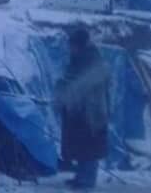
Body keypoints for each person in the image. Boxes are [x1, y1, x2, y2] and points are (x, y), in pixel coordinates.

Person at [55, 28, 111, 190]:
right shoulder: (77, 59)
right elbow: (69, 80)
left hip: (92, 112)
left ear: (80, 45)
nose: (70, 49)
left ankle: (87, 181)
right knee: (80, 145)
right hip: (78, 111)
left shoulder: (93, 60)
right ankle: (81, 177)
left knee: (90, 148)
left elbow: (83, 84)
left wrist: (66, 93)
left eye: (72, 45)